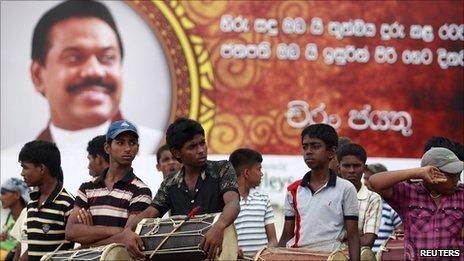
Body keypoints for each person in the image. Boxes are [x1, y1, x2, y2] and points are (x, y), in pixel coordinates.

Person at [26, 0, 161, 155]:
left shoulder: (160, 150)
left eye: (108, 57)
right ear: (38, 76)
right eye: (74, 58)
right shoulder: (9, 165)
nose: (95, 71)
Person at [117, 117, 240, 260]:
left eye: (202, 143)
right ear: (176, 153)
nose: (201, 150)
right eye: (192, 146)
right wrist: (127, 231)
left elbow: (233, 203)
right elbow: (151, 212)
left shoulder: (222, 169)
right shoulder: (170, 182)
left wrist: (219, 226)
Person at [278, 123, 360, 261]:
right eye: (305, 147)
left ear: (332, 152)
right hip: (297, 256)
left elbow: (353, 236)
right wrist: (276, 255)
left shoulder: (346, 188)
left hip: (331, 257)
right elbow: (286, 236)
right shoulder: (293, 190)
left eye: (315, 146)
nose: (308, 151)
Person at [65, 120, 152, 247]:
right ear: (107, 148)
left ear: (137, 147)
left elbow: (129, 239)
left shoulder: (141, 190)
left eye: (132, 143)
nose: (127, 148)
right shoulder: (87, 187)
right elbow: (71, 231)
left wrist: (88, 239)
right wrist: (118, 231)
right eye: (120, 142)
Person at [369, 147, 464, 260]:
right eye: (451, 175)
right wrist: (418, 172)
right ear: (432, 173)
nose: (457, 179)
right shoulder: (408, 192)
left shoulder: (461, 194)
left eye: (458, 174)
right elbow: (374, 182)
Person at [18, 140, 74, 260]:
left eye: (25, 167)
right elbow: (33, 247)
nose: (22, 173)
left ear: (42, 168)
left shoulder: (68, 203)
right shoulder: (31, 203)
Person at [229, 148, 278, 258]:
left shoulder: (263, 199)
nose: (261, 174)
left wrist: (262, 255)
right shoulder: (224, 201)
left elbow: (273, 240)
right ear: (246, 173)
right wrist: (231, 249)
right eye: (259, 169)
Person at [337, 143, 382, 248]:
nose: (351, 170)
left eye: (356, 166)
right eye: (346, 166)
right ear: (339, 168)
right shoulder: (328, 194)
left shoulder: (372, 198)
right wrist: (356, 235)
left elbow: (368, 240)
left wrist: (338, 242)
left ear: (364, 168)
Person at [363, 163, 402, 254]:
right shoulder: (358, 204)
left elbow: (400, 237)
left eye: (370, 179)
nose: (366, 182)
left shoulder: (392, 207)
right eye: (365, 178)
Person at [0, 178, 30, 260]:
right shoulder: (10, 216)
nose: (0, 197)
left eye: (3, 193)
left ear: (17, 195)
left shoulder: (28, 218)